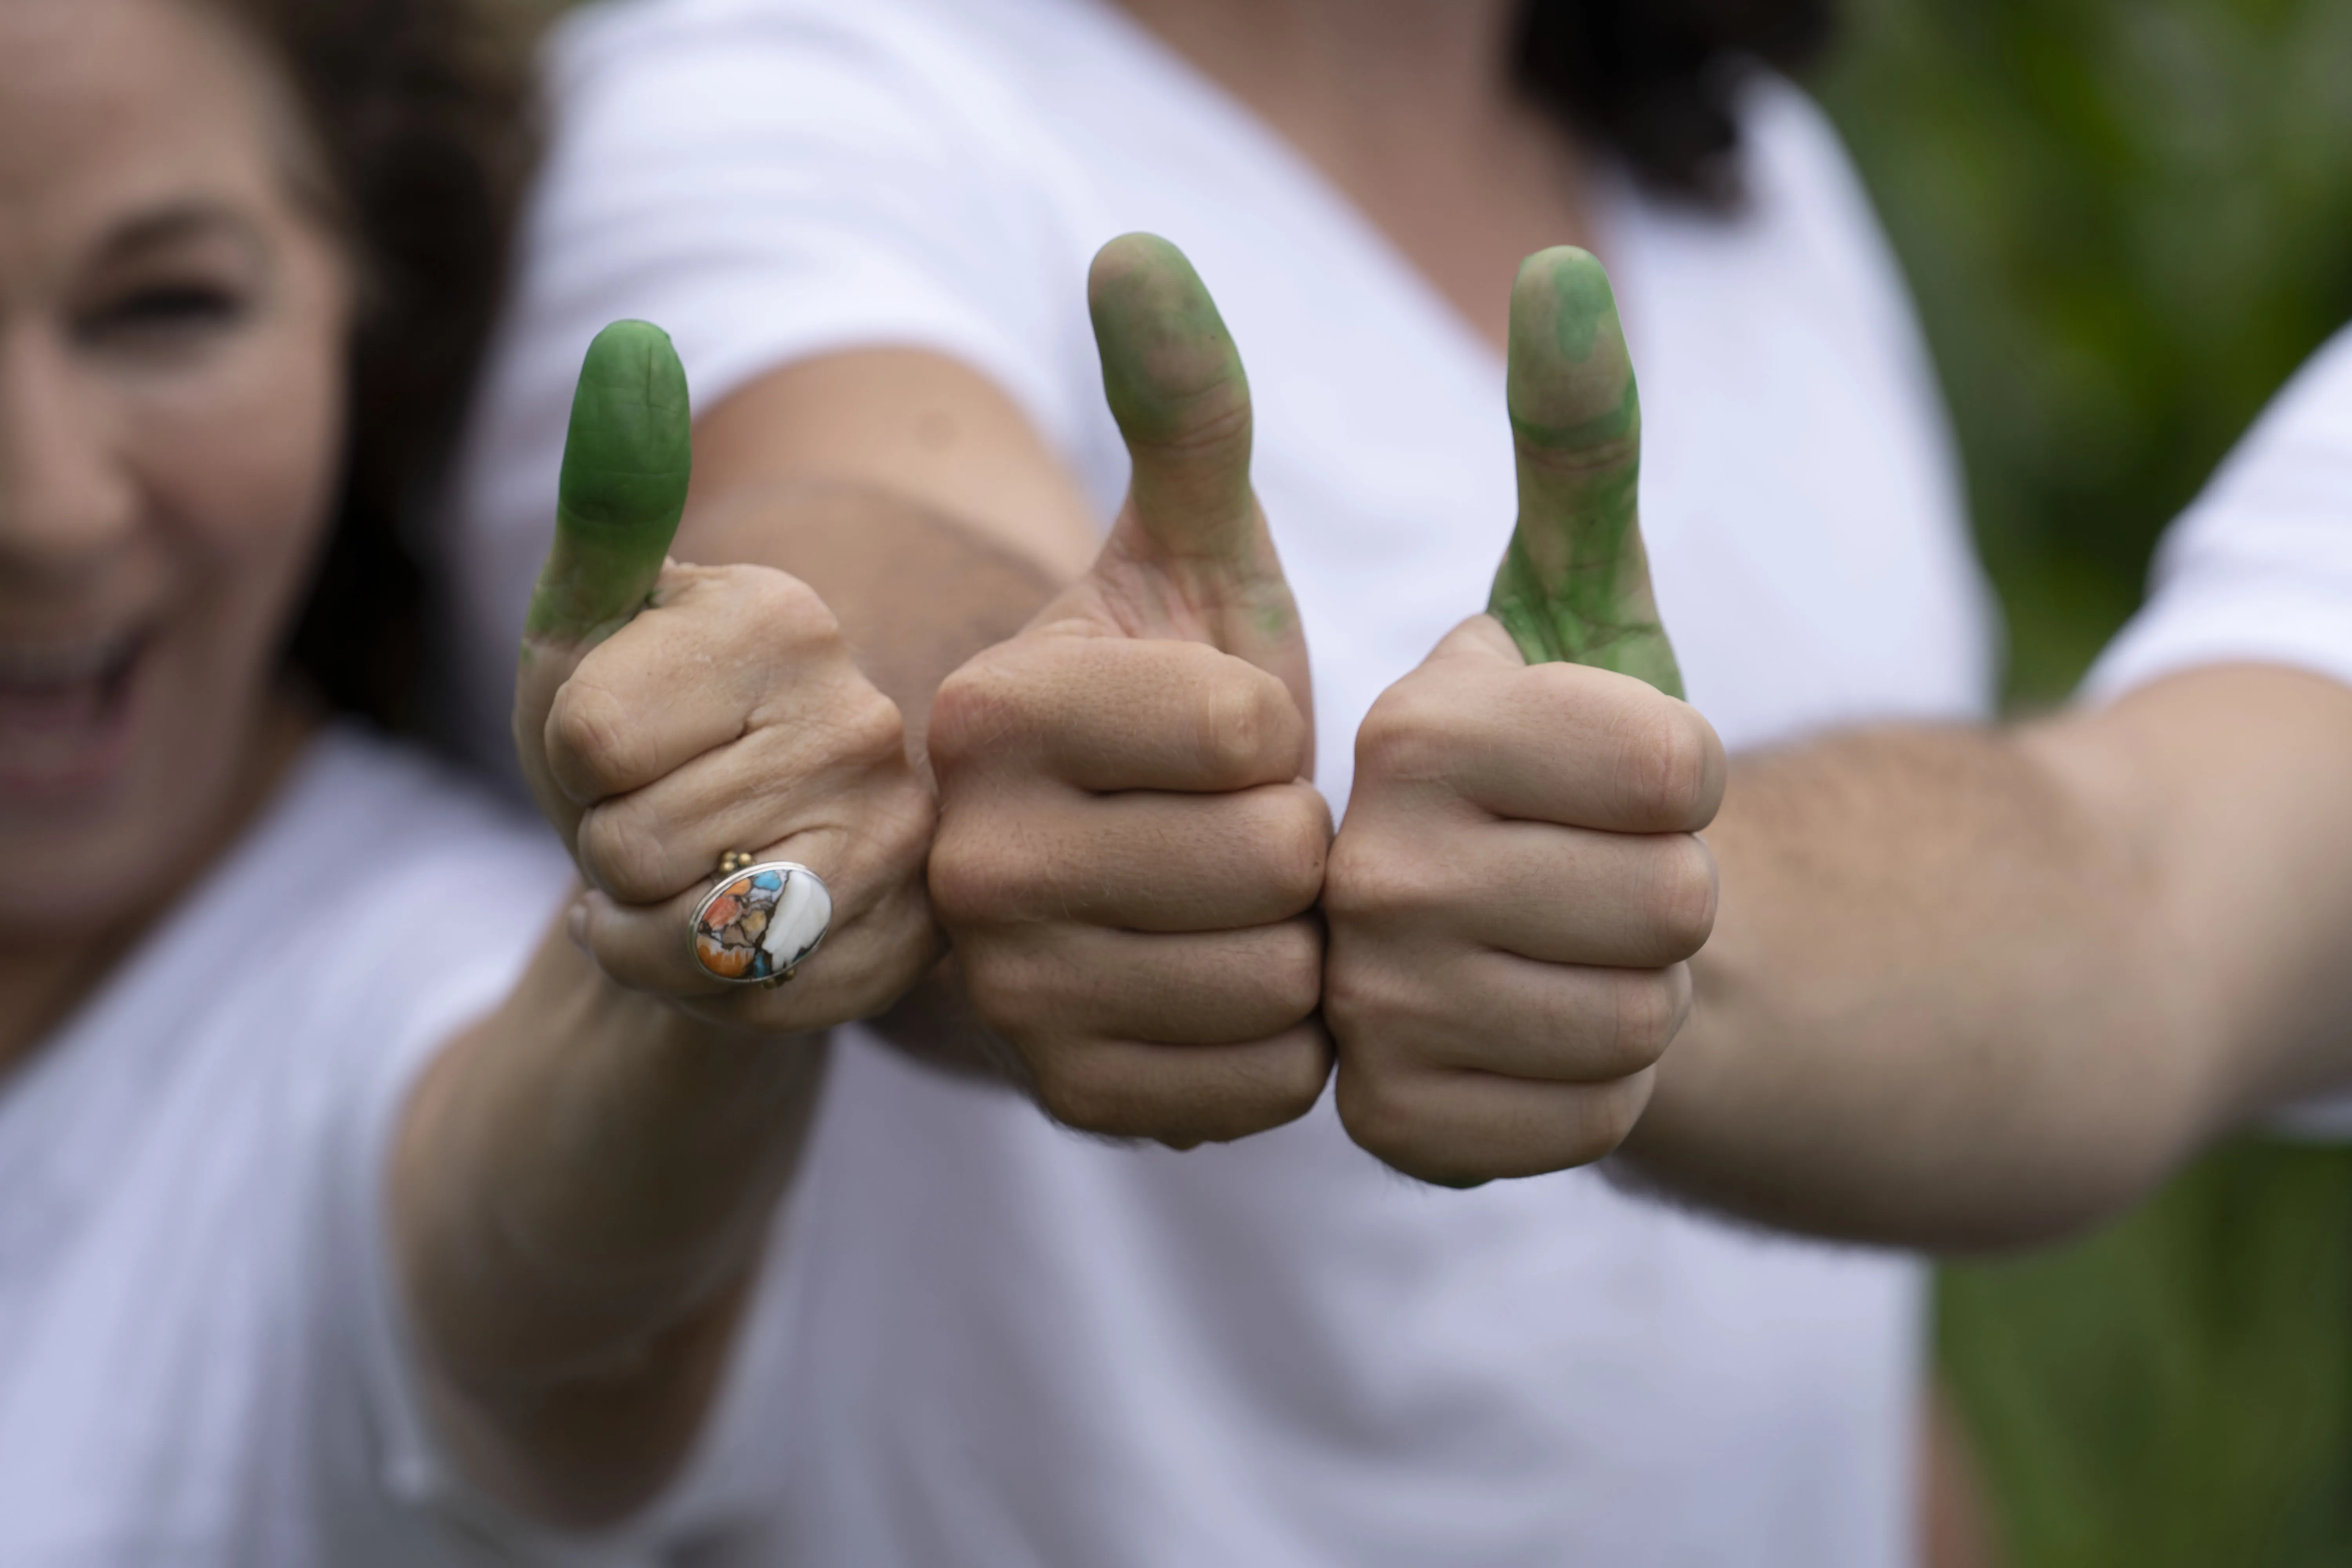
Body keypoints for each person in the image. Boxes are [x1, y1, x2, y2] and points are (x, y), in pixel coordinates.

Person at [446, 0, 1996, 1560]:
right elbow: (848, 551)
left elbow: (1819, 1324)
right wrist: (969, 756)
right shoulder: (782, 81)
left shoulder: (1768, 188)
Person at [0, 0, 938, 1558]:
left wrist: (693, 962)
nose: (44, 504)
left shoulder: (397, 974)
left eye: (162, 308)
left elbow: (550, 1284)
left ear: (369, 315)